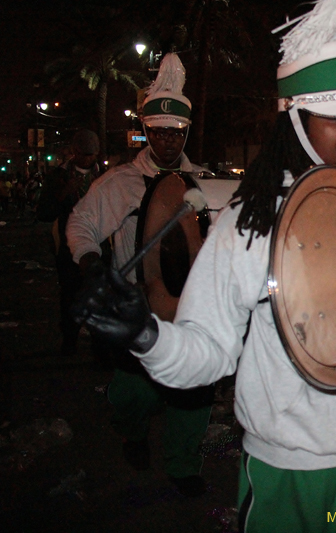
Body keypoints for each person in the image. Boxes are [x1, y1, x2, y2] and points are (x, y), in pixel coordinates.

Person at [72, 1, 336, 530]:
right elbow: (209, 352)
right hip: (287, 476)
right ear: (297, 119)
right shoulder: (250, 221)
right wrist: (145, 334)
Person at [66, 53, 213, 497]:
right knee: (134, 393)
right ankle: (132, 434)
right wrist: (91, 262)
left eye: (177, 132)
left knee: (193, 393)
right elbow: (80, 224)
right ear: (146, 130)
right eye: (159, 131)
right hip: (137, 307)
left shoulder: (203, 182)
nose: (168, 140)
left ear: (186, 131)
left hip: (191, 308)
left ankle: (183, 464)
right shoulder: (119, 184)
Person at [37, 129, 102, 357]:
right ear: (74, 152)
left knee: (98, 296)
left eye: (92, 155)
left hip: (101, 246)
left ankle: (99, 345)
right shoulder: (58, 177)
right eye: (84, 154)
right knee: (71, 295)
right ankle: (70, 341)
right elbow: (43, 212)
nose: (88, 159)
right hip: (68, 247)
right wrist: (64, 193)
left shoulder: (104, 176)